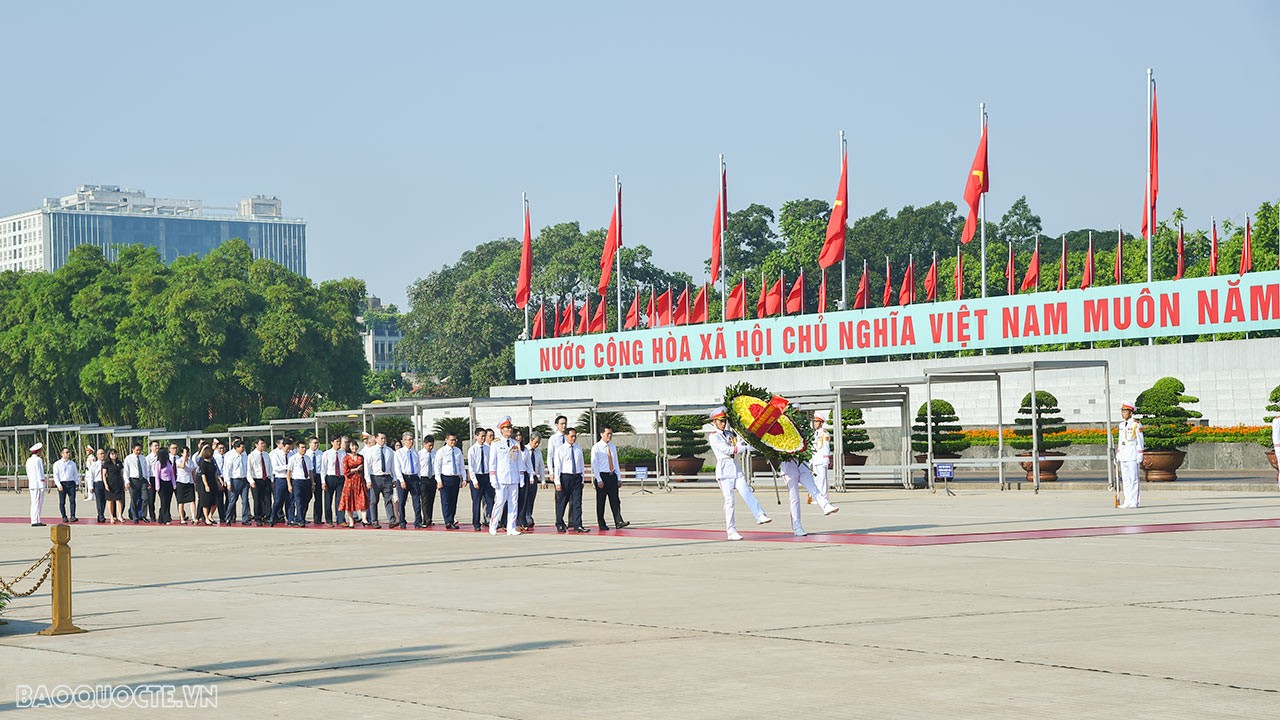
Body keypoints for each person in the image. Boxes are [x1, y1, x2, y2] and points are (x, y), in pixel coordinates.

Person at [708, 406, 771, 540]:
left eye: (724, 421)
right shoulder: (714, 436)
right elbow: (728, 450)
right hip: (724, 471)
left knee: (746, 492)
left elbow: (741, 443)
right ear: (714, 422)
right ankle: (731, 531)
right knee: (730, 501)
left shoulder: (730, 434)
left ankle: (759, 515)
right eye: (720, 421)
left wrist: (753, 444)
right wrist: (743, 448)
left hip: (736, 469)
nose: (723, 423)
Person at [779, 458, 840, 537]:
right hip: (788, 467)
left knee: (813, 487)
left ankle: (826, 506)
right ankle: (797, 527)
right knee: (794, 497)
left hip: (802, 464)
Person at [489, 417, 525, 536]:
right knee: (499, 502)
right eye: (507, 428)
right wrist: (493, 478)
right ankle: (493, 525)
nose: (509, 430)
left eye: (510, 427)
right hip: (501, 478)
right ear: (501, 429)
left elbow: (519, 461)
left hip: (513, 477)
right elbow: (492, 462)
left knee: (513, 503)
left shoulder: (515, 443)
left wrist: (521, 476)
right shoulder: (496, 443)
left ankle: (511, 527)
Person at [591, 427, 629, 531]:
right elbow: (595, 465)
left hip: (612, 476)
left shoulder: (612, 446)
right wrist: (598, 479)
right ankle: (601, 523)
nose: (610, 436)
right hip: (602, 476)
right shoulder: (596, 447)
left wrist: (619, 478)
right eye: (607, 433)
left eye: (611, 434)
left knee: (615, 500)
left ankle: (618, 521)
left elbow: (615, 462)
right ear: (601, 434)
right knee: (601, 502)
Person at [555, 428, 589, 533]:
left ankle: (577, 524)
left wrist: (582, 478)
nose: (573, 438)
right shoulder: (560, 449)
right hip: (565, 477)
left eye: (575, 436)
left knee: (577, 502)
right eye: (571, 436)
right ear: (566, 436)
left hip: (576, 477)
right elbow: (558, 466)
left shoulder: (578, 448)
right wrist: (557, 482)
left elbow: (581, 464)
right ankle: (559, 523)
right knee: (562, 502)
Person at [362, 433, 397, 528]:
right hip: (375, 478)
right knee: (374, 501)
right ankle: (374, 521)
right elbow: (367, 466)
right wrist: (368, 480)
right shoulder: (371, 451)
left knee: (388, 499)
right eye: (381, 438)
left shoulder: (389, 451)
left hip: (387, 477)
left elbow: (392, 466)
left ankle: (391, 520)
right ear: (376, 439)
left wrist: (394, 478)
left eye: (384, 438)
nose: (383, 440)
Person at [1116, 403, 1145, 509]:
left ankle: (1134, 501)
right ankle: (1127, 500)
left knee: (1134, 478)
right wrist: (1118, 453)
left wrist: (1140, 454)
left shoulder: (1136, 424)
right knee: (1125, 479)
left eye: (1125, 411)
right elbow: (1120, 440)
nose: (1123, 413)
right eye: (1122, 411)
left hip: (1133, 453)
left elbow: (1140, 440)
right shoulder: (1121, 425)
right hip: (1123, 454)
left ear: (1130, 413)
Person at [434, 433, 465, 529]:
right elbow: (437, 466)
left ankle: (452, 519)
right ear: (446, 440)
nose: (453, 442)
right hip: (445, 478)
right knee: (446, 500)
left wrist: (463, 478)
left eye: (455, 440)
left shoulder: (458, 451)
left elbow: (461, 466)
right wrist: (439, 480)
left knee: (453, 501)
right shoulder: (441, 451)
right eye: (451, 440)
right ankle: (447, 521)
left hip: (455, 478)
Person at [394, 431, 423, 529]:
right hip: (404, 477)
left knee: (417, 500)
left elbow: (418, 466)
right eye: (409, 440)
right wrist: (401, 480)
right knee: (402, 501)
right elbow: (397, 467)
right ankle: (402, 521)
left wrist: (418, 477)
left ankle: (418, 521)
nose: (411, 441)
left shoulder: (415, 452)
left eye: (412, 439)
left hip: (414, 478)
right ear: (404, 441)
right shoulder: (399, 453)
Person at [467, 428, 495, 531]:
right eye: (481, 436)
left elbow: (491, 464)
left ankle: (491, 521)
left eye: (484, 436)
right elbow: (471, 467)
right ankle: (476, 523)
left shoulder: (488, 449)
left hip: (487, 476)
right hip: (477, 476)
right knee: (476, 501)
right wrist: (474, 480)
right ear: (476, 436)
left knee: (490, 500)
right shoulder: (472, 449)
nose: (483, 438)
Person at [340, 438, 368, 528]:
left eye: (355, 445)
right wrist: (356, 469)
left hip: (360, 481)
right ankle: (351, 520)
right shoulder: (346, 458)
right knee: (349, 501)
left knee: (363, 499)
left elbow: (365, 469)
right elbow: (345, 471)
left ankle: (364, 518)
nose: (354, 447)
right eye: (352, 446)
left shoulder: (361, 457)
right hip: (350, 482)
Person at [518, 432, 543, 530]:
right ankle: (522, 517)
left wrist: (543, 480)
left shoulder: (538, 452)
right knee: (524, 499)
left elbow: (541, 466)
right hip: (525, 476)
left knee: (531, 498)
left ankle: (528, 516)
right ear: (531, 440)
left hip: (534, 477)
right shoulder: (524, 450)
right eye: (535, 442)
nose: (537, 444)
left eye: (538, 443)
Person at [286, 440, 313, 527]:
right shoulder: (293, 458)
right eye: (302, 447)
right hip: (297, 481)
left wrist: (312, 483)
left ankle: (300, 517)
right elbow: (289, 472)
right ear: (297, 448)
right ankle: (300, 520)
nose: (304, 449)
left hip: (306, 481)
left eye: (305, 447)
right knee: (298, 501)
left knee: (306, 500)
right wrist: (289, 484)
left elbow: (310, 471)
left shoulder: (308, 458)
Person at [321, 436, 347, 527]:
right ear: (332, 442)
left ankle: (340, 519)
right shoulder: (326, 454)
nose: (338, 443)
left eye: (339, 441)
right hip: (330, 478)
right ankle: (329, 520)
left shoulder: (343, 453)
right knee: (328, 500)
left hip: (340, 478)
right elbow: (323, 469)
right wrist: (323, 482)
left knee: (340, 500)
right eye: (336, 441)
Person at [224, 439, 251, 525]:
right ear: (236, 447)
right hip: (235, 480)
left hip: (244, 480)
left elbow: (247, 468)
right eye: (241, 447)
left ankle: (245, 519)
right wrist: (228, 482)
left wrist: (250, 480)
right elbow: (227, 470)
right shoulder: (231, 456)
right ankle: (228, 518)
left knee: (245, 500)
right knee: (232, 501)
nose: (243, 449)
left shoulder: (244, 455)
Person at [247, 438, 272, 526]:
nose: (263, 445)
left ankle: (267, 517)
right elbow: (249, 469)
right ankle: (258, 517)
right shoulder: (251, 455)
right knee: (257, 500)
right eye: (261, 443)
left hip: (266, 479)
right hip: (256, 479)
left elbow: (270, 467)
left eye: (264, 443)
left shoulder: (266, 454)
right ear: (256, 445)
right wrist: (251, 481)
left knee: (267, 499)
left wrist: (271, 479)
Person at [52, 446, 80, 523]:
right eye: (66, 452)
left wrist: (76, 483)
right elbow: (56, 475)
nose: (68, 454)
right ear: (62, 454)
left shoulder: (72, 464)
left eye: (69, 452)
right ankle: (64, 516)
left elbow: (75, 474)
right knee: (62, 502)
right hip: (62, 483)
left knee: (72, 500)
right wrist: (58, 484)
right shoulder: (57, 464)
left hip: (71, 483)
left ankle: (73, 516)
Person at [269, 437, 294, 526]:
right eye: (287, 449)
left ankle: (290, 519)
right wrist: (286, 467)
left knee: (290, 500)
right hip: (280, 479)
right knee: (278, 500)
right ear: (282, 446)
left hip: (290, 479)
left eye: (289, 449)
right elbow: (275, 468)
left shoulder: (292, 455)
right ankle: (273, 517)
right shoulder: (276, 455)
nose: (288, 451)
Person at [124, 444, 150, 525]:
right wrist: (127, 481)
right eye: (137, 450)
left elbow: (146, 470)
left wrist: (148, 481)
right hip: (133, 480)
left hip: (142, 480)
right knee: (134, 499)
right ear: (133, 449)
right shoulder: (128, 458)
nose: (138, 451)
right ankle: (135, 516)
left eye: (140, 450)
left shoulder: (143, 458)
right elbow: (126, 470)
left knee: (145, 498)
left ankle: (143, 515)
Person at [809, 413, 832, 501]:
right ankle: (818, 498)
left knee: (823, 480)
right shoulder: (815, 433)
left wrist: (826, 459)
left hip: (822, 460)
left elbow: (826, 447)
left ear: (821, 423)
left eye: (817, 422)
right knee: (816, 479)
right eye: (814, 421)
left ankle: (824, 498)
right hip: (815, 459)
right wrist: (811, 460)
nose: (815, 423)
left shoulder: (825, 433)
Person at [196, 445, 221, 526]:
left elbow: (215, 473)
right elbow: (203, 475)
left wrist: (218, 482)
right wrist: (206, 485)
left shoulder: (212, 462)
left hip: (213, 483)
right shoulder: (203, 463)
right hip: (206, 484)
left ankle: (210, 515)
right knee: (206, 502)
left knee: (215, 502)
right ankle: (206, 518)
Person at [174, 446, 198, 524]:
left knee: (192, 500)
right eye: (185, 452)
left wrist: (195, 482)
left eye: (188, 452)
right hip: (181, 482)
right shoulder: (178, 460)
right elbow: (182, 466)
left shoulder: (191, 462)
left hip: (189, 482)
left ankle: (194, 517)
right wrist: (184, 457)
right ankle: (182, 518)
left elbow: (193, 472)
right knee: (181, 501)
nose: (187, 454)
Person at [418, 436, 437, 527]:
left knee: (431, 499)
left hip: (432, 478)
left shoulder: (435, 453)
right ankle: (426, 519)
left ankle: (429, 518)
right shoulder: (420, 454)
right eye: (429, 445)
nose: (431, 447)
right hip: (423, 478)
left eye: (432, 445)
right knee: (425, 499)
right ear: (424, 444)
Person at [103, 448, 126, 524]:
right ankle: (111, 516)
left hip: (118, 483)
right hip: (110, 484)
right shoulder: (107, 463)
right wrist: (106, 484)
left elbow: (122, 474)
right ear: (109, 455)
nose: (114, 455)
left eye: (115, 454)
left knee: (119, 500)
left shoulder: (119, 463)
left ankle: (120, 515)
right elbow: (104, 475)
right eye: (112, 454)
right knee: (110, 501)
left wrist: (124, 483)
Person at [26, 443, 47, 526]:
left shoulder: (29, 460)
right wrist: (42, 484)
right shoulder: (38, 460)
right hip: (38, 485)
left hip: (32, 484)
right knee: (38, 503)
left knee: (34, 503)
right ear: (38, 451)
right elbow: (40, 473)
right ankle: (36, 520)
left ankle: (34, 519)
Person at [305, 437, 324, 525]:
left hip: (318, 476)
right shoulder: (306, 453)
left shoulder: (321, 454)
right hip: (308, 477)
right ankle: (302, 517)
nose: (316, 444)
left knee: (318, 498)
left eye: (317, 443)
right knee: (306, 498)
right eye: (314, 443)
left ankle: (317, 519)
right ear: (310, 444)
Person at [86, 448, 106, 523]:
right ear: (97, 455)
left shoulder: (107, 464)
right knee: (99, 500)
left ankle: (101, 514)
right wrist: (91, 487)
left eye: (103, 453)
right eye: (100, 454)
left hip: (106, 483)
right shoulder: (94, 465)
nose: (102, 455)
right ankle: (101, 516)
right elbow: (91, 476)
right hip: (98, 483)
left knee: (104, 501)